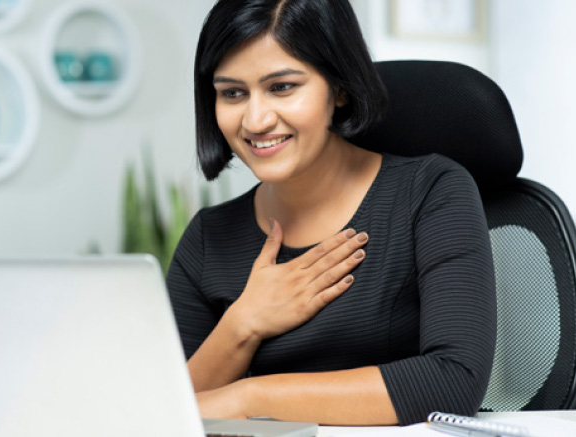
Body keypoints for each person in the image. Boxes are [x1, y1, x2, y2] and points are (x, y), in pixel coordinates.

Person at [166, 0, 496, 426]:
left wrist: (247, 398)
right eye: (233, 93)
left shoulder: (432, 191)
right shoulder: (209, 239)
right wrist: (244, 323)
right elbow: (166, 408)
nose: (255, 119)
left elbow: (453, 382)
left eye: (282, 87)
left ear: (339, 88)